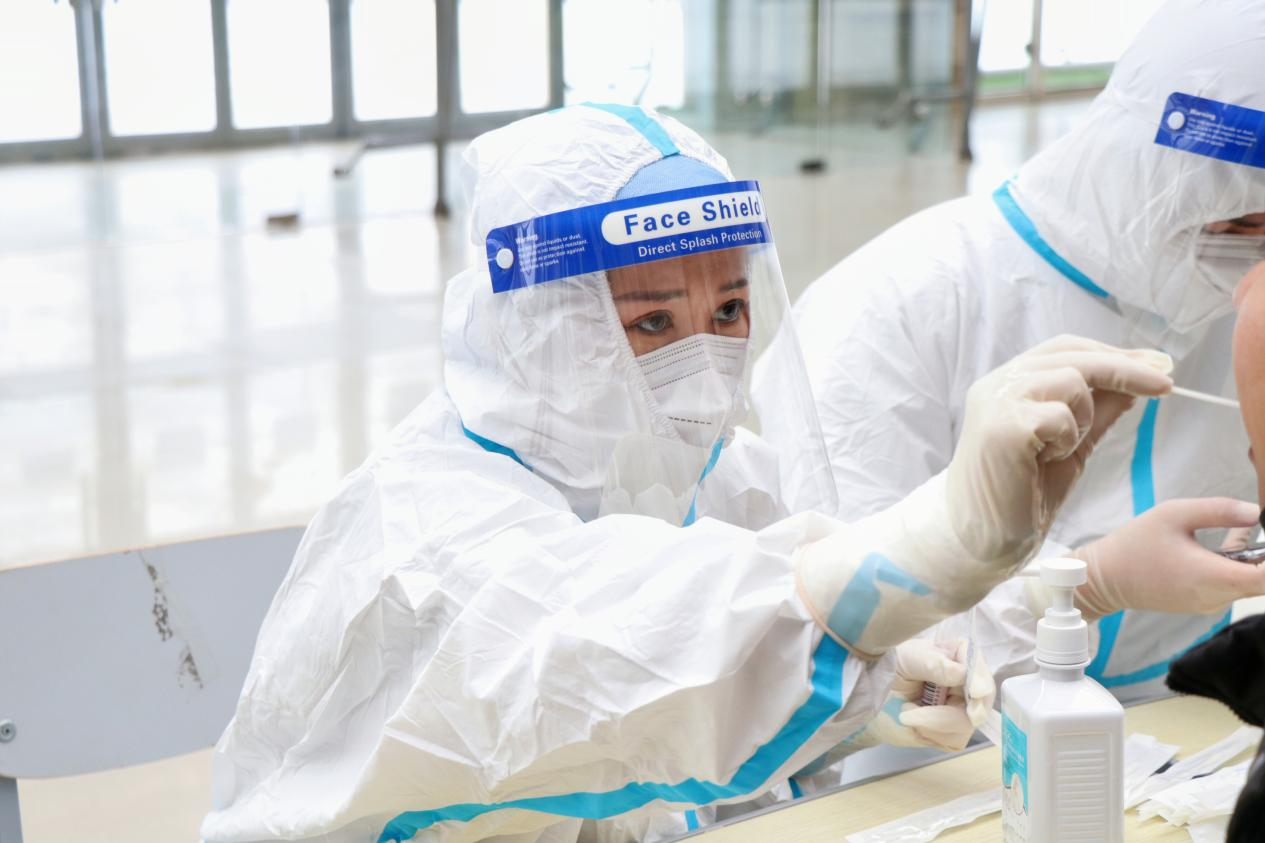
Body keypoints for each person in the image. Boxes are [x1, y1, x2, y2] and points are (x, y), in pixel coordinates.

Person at [200, 105, 1171, 843]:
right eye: (652, 322)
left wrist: (875, 689)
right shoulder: (423, 533)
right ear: (543, 325)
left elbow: (708, 682)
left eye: (729, 310)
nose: (704, 364)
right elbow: (602, 649)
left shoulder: (710, 474)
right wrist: (933, 544)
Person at [757, 0, 1265, 706]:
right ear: (1146, 166)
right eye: (1242, 220)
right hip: (942, 746)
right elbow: (838, 626)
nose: (1250, 259)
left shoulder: (1242, 303)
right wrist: (1088, 583)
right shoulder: (891, 304)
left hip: (1182, 719)